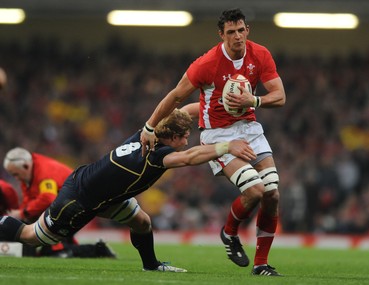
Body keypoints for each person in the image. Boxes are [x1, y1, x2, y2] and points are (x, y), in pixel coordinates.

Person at [0, 109, 255, 272]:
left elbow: (180, 112)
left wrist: (214, 108)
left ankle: (151, 266)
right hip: (79, 198)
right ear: (174, 137)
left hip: (105, 193)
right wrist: (227, 146)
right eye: (185, 135)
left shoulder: (144, 135)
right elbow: (189, 158)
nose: (187, 140)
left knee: (141, 221)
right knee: (31, 236)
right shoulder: (157, 155)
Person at [140, 8, 286, 276]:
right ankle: (229, 232)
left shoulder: (260, 54)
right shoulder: (206, 64)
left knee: (272, 194)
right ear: (221, 35)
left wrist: (253, 101)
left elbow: (279, 96)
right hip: (218, 133)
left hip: (250, 129)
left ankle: (261, 264)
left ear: (247, 30)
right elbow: (175, 96)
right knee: (254, 191)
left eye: (241, 30)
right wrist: (150, 126)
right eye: (231, 32)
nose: (237, 36)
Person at [3, 147, 116, 258]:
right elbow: (31, 199)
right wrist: (25, 215)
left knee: (54, 251)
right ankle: (96, 249)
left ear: (26, 166)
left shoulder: (44, 172)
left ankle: (98, 250)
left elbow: (48, 198)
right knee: (57, 248)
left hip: (75, 204)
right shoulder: (29, 174)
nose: (16, 178)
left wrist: (23, 213)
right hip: (66, 206)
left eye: (15, 174)